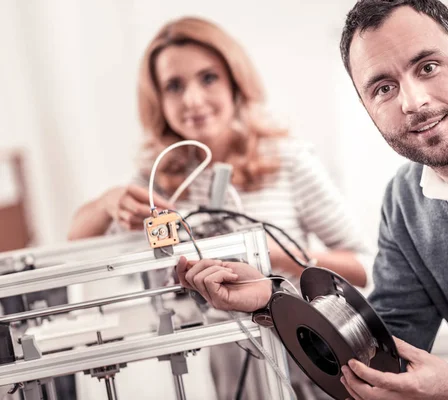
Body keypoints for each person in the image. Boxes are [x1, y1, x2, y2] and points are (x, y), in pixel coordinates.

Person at [176, 1, 448, 399]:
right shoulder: (404, 201)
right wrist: (273, 299)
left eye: (428, 67)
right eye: (383, 88)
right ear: (366, 106)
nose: (414, 102)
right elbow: (378, 352)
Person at [68, 16, 370, 400]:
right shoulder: (157, 182)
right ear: (158, 101)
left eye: (207, 78)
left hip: (309, 366)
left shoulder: (288, 162)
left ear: (234, 81)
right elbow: (77, 237)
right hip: (212, 378)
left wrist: (275, 256)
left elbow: (364, 267)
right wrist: (108, 202)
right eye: (174, 86)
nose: (192, 100)